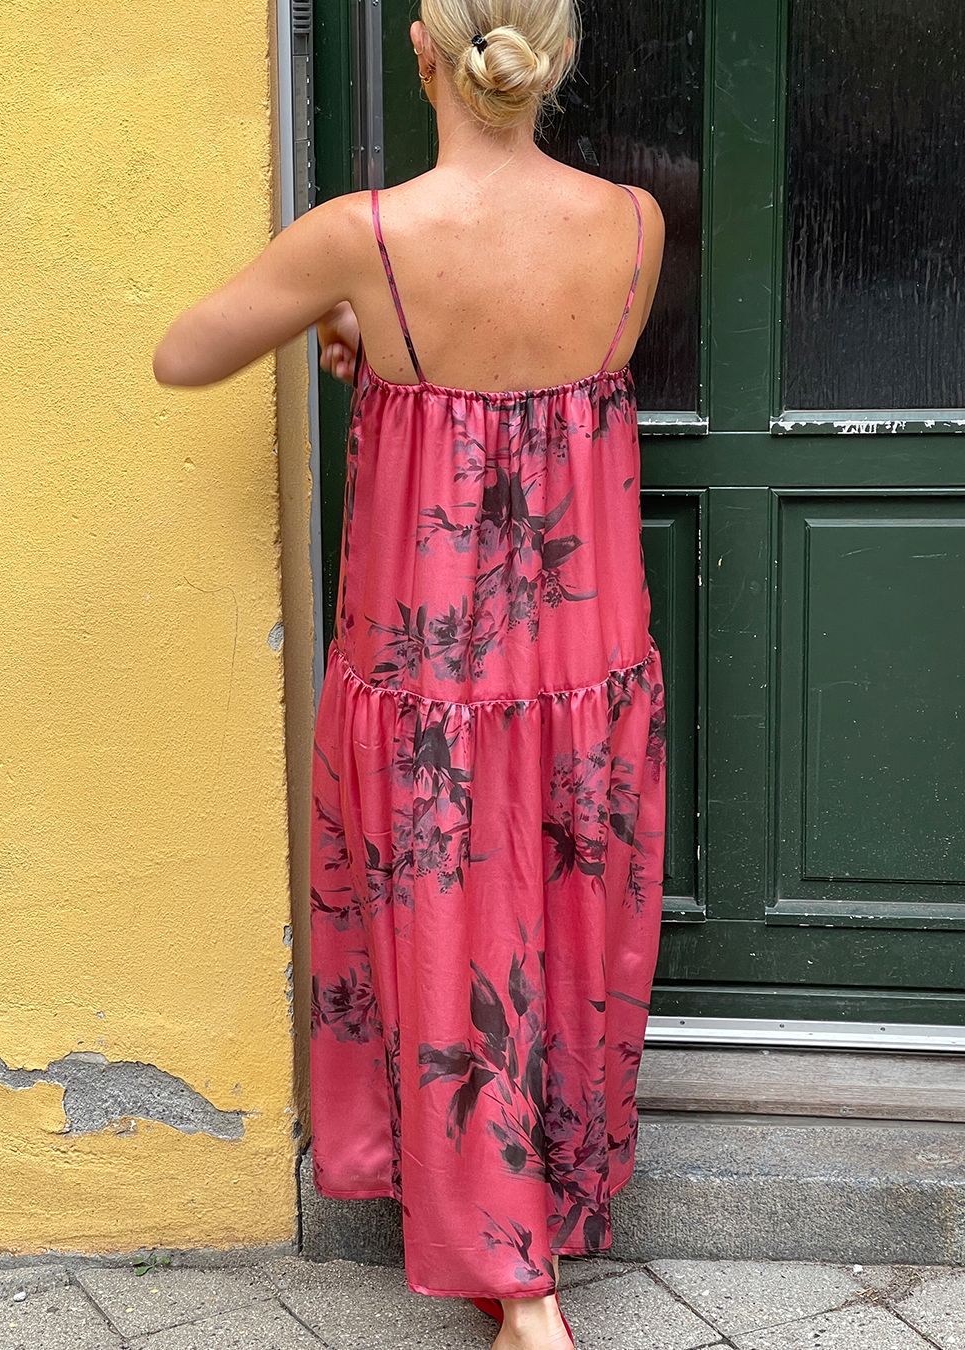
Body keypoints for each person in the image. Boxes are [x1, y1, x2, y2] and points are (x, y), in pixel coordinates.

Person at [155, 1, 666, 1345]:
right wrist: (368, 336)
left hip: (431, 667)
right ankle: (537, 1227)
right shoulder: (634, 226)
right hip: (583, 658)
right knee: (560, 922)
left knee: (454, 933)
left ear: (421, 54)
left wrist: (346, 316)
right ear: (557, 57)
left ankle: (522, 1294)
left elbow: (182, 355)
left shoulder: (365, 239)